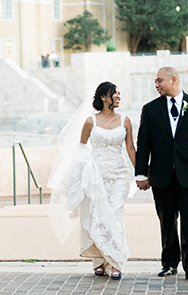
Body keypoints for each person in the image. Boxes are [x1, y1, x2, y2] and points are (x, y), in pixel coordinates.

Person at [135, 66, 188, 283]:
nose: (156, 85)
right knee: (166, 221)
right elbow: (143, 144)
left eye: (159, 81)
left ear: (173, 80)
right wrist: (140, 174)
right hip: (161, 177)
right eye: (155, 82)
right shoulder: (150, 109)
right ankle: (169, 264)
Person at [48, 81, 136, 280]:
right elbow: (79, 150)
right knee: (98, 215)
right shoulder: (90, 122)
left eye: (119, 94)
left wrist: (141, 173)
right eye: (115, 94)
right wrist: (80, 175)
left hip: (120, 175)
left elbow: (131, 149)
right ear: (104, 97)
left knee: (114, 214)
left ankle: (115, 262)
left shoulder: (126, 121)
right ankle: (99, 260)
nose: (118, 97)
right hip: (96, 177)